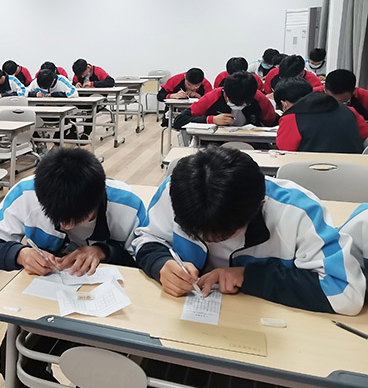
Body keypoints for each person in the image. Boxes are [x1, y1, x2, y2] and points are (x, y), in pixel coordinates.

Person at [0, 147, 146, 388]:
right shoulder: (26, 193)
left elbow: (146, 262)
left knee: (103, 376)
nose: (67, 226)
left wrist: (104, 251)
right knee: (13, 365)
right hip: (50, 303)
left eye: (78, 219)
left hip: (113, 309)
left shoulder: (126, 204)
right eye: (58, 219)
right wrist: (19, 254)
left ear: (100, 197)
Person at [133, 147, 365, 315]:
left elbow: (345, 293)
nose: (209, 241)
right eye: (195, 233)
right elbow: (146, 239)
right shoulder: (175, 192)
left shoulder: (297, 211)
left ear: (258, 206)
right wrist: (160, 264)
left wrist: (248, 276)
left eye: (223, 236)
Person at [274, 77, 368, 153]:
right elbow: (365, 135)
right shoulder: (350, 111)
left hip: (309, 169)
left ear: (284, 104)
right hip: (353, 168)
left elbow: (285, 151)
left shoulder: (291, 118)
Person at [173, 72, 276, 129]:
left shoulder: (260, 98)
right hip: (216, 144)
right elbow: (179, 121)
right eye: (233, 102)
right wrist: (211, 120)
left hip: (252, 142)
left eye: (243, 104)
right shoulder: (213, 97)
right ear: (225, 93)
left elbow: (271, 123)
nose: (237, 106)